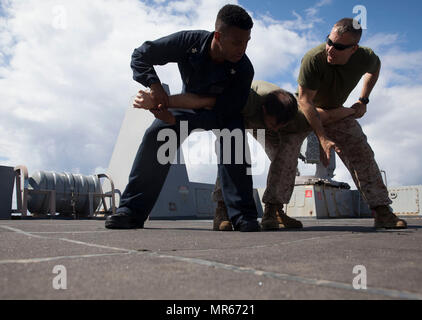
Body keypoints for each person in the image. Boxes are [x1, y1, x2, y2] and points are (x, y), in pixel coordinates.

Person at [105, 4, 261, 232]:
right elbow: (141, 55)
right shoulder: (189, 42)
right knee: (157, 135)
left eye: (247, 42)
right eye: (237, 42)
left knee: (234, 141)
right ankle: (131, 211)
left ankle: (244, 216)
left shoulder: (244, 69)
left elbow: (217, 106)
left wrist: (166, 106)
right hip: (188, 106)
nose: (242, 49)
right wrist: (155, 86)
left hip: (221, 111)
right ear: (218, 35)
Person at [135, 80, 357, 231]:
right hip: (242, 116)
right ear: (263, 113)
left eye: (280, 126)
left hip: (276, 119)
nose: (276, 130)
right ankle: (222, 211)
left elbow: (326, 115)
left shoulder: (296, 116)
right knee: (233, 152)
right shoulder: (245, 100)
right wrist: (160, 105)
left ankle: (273, 211)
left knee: (286, 158)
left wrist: (352, 110)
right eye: (272, 124)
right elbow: (204, 106)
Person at [297, 18, 407, 229]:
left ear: (353, 48)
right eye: (328, 41)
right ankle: (273, 212)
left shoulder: (365, 57)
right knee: (285, 149)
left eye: (338, 47)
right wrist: (322, 138)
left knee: (361, 152)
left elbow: (375, 69)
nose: (330, 49)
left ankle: (382, 211)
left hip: (335, 112)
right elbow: (305, 101)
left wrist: (363, 100)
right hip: (306, 111)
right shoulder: (314, 59)